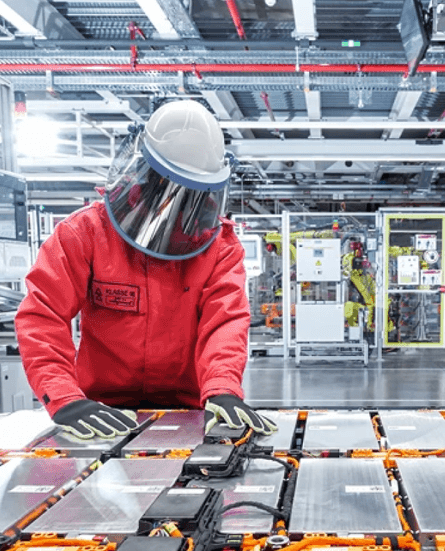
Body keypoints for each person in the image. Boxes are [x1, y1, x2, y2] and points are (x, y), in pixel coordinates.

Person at [16, 100, 277, 440]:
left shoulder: (219, 247)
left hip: (189, 410)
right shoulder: (84, 234)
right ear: (144, 172)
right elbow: (43, 316)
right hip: (100, 412)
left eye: (192, 194)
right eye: (169, 188)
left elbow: (224, 322)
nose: (179, 206)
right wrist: (63, 396)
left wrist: (223, 385)